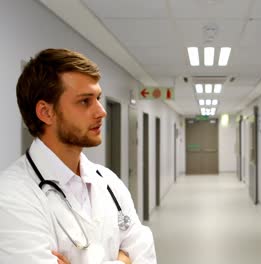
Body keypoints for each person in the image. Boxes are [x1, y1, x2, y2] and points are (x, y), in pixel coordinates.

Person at [0, 48, 157, 263]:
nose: (102, 111)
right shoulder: (11, 196)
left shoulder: (108, 181)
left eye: (98, 98)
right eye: (85, 101)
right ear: (46, 112)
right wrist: (124, 260)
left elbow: (145, 252)